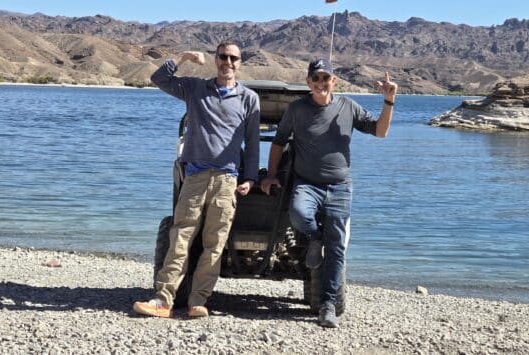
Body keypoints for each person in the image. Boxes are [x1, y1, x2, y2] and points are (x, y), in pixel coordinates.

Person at [260, 59, 398, 328]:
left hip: (339, 187)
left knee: (336, 250)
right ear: (308, 82)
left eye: (326, 78)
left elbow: (380, 132)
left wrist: (389, 101)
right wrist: (271, 174)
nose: (321, 83)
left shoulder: (348, 107)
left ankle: (327, 305)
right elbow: (278, 142)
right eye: (316, 79)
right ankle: (314, 237)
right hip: (307, 183)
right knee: (299, 213)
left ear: (334, 81)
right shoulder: (297, 109)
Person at [133, 41, 260, 318]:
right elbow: (159, 79)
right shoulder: (196, 89)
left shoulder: (248, 98)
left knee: (214, 244)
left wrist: (250, 177)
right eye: (224, 57)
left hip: (227, 179)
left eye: (234, 58)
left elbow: (252, 143)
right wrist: (183, 57)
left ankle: (198, 301)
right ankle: (163, 299)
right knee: (180, 237)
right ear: (216, 59)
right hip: (195, 176)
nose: (228, 62)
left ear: (240, 63)